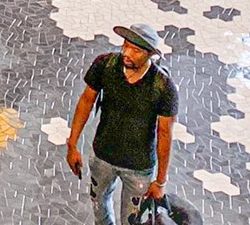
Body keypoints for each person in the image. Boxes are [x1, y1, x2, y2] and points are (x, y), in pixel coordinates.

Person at [66, 24, 178, 225]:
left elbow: (164, 134)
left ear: (149, 54)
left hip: (139, 167)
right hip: (102, 157)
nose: (127, 53)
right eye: (125, 46)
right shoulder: (105, 65)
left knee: (131, 219)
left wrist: (160, 181)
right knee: (99, 204)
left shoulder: (163, 86)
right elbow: (86, 101)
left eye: (135, 50)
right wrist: (72, 144)